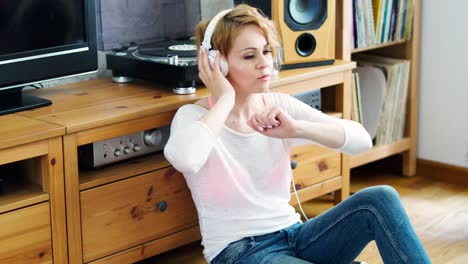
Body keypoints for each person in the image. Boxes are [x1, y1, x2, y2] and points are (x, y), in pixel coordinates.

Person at [164, 4, 430, 264]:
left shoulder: (279, 106)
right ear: (217, 63)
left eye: (266, 52)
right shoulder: (196, 118)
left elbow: (360, 140)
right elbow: (186, 159)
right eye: (249, 56)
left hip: (297, 235)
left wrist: (297, 128)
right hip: (240, 251)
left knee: (380, 198)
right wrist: (224, 99)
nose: (264, 63)